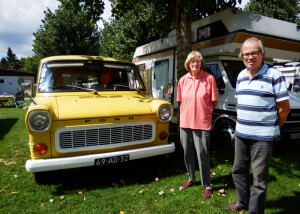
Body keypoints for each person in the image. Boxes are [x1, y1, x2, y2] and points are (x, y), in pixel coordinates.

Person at [225, 37, 290, 213]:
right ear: (242, 56)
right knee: (238, 171)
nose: (250, 57)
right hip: (241, 134)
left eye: (254, 52)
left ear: (262, 54)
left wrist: (271, 127)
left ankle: (255, 211)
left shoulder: (274, 76)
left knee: (259, 179)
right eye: (246, 54)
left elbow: (284, 108)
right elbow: (243, 105)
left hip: (263, 137)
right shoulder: (240, 76)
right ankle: (242, 202)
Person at [177, 51, 218, 199]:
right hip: (185, 122)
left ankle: (207, 184)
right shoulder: (182, 80)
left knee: (203, 154)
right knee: (187, 153)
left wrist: (205, 112)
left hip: (202, 122)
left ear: (201, 63)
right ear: (188, 64)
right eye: (192, 61)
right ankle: (191, 178)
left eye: (198, 61)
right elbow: (181, 100)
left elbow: (214, 101)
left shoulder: (209, 79)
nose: (195, 64)